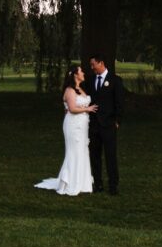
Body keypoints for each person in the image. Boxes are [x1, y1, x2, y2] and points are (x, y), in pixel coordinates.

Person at [34, 65, 98, 196]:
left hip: (82, 125)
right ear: (75, 75)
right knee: (74, 151)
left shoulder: (80, 89)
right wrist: (87, 109)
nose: (84, 73)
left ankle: (82, 182)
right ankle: (70, 181)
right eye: (81, 71)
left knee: (82, 150)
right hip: (74, 125)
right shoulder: (70, 90)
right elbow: (73, 109)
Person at [87, 54, 125, 195]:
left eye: (93, 64)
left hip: (109, 125)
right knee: (95, 156)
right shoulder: (91, 81)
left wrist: (117, 122)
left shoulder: (115, 81)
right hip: (94, 125)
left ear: (101, 63)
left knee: (110, 156)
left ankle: (113, 185)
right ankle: (98, 184)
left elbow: (119, 103)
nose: (92, 68)